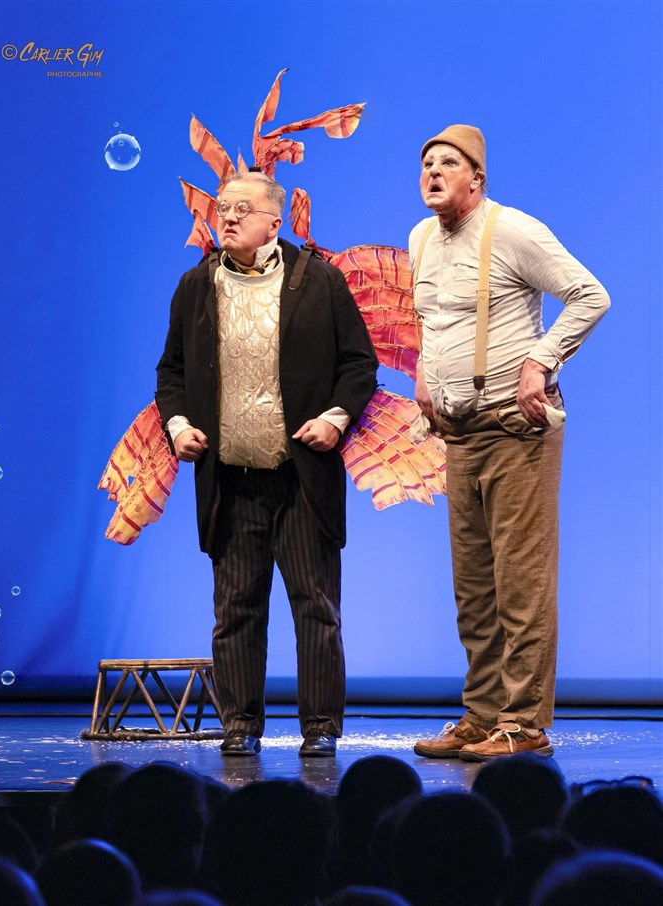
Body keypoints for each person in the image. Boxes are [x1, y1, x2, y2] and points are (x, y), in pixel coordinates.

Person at [156, 170, 378, 758]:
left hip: (300, 478)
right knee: (235, 610)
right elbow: (171, 372)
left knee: (316, 605)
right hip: (230, 479)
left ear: (274, 222)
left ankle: (321, 727)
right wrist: (178, 426)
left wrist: (335, 419)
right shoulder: (196, 284)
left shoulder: (319, 280)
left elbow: (359, 364)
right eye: (222, 207)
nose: (227, 217)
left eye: (242, 209)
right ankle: (240, 725)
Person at [410, 125, 609, 761]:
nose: (433, 172)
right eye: (427, 163)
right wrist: (424, 377)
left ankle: (523, 723)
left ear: (477, 177)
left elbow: (590, 295)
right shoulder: (421, 238)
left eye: (448, 163)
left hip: (515, 429)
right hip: (459, 434)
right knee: (473, 588)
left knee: (521, 583)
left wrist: (541, 360)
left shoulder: (512, 230)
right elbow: (431, 320)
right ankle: (482, 714)